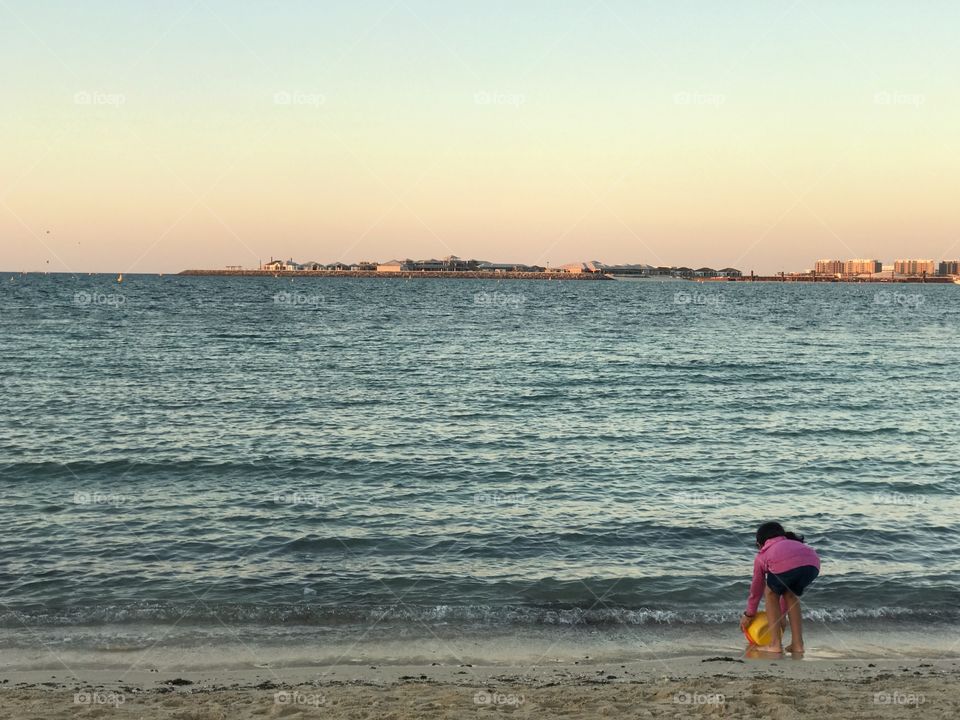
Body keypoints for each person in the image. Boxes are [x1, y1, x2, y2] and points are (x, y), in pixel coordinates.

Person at [739, 521, 820, 654]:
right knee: (790, 594)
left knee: (770, 593)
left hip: (791, 565)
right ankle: (798, 645)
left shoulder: (762, 555)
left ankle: (775, 644)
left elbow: (757, 588)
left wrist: (749, 614)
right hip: (813, 564)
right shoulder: (793, 543)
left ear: (759, 544)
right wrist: (781, 615)